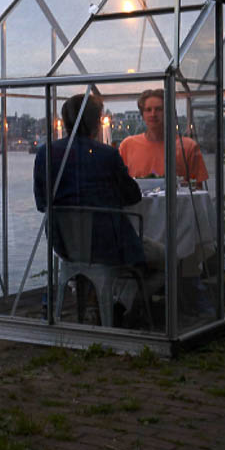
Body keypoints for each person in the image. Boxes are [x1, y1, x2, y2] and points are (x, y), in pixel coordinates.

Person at [33, 93, 143, 325]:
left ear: (64, 122)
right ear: (96, 123)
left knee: (92, 251)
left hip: (64, 244)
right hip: (108, 245)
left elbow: (42, 202)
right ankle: (123, 310)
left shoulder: (45, 153)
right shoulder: (107, 154)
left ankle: (96, 303)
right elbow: (132, 195)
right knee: (163, 259)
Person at [119, 89, 208, 186]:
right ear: (143, 115)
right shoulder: (127, 146)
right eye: (148, 110)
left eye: (158, 109)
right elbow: (118, 184)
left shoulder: (188, 147)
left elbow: (198, 190)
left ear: (168, 112)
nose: (153, 114)